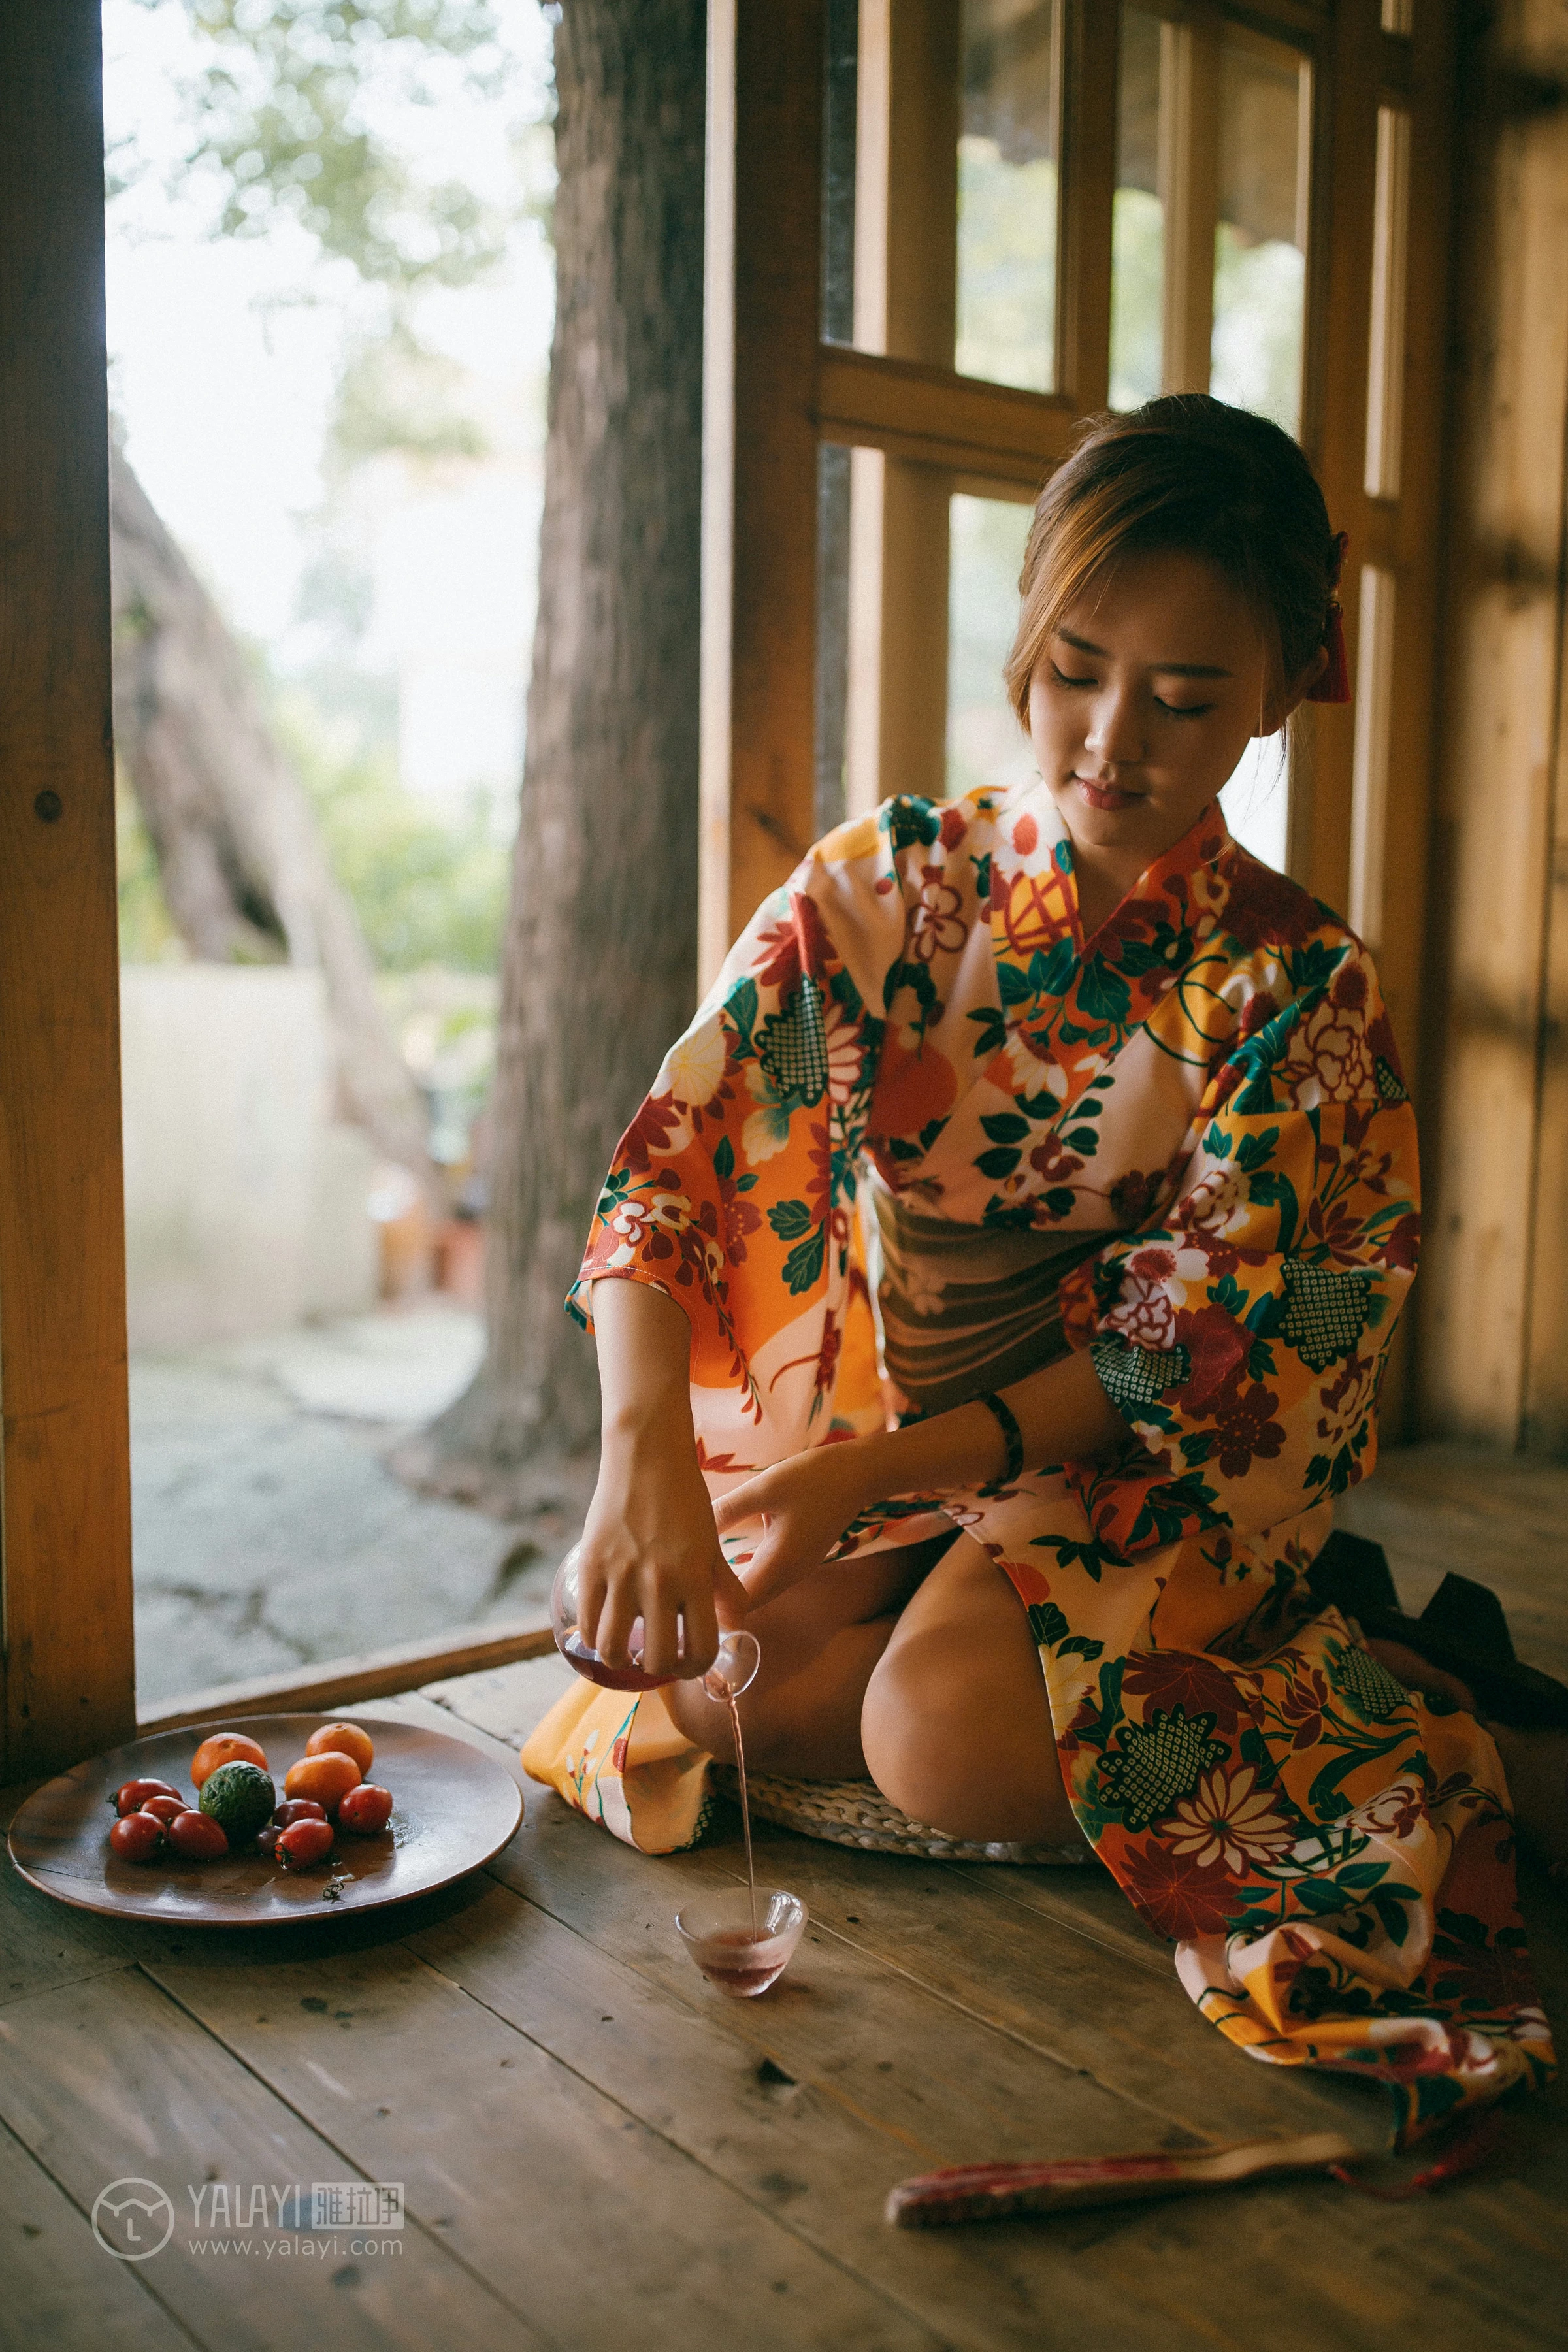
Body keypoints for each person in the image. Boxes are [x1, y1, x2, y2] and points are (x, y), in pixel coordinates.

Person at [524, 395, 1557, 2144]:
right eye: (1075, 669)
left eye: (1186, 699)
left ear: (1283, 687)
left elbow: (1187, 1365)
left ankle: (1395, 1714)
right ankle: (1062, 1644)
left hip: (1137, 1462)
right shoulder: (896, 884)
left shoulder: (1296, 989)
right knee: (717, 1682)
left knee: (932, 1745)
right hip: (906, 1436)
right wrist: (642, 1467)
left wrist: (865, 1486)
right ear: (1028, 632)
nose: (1110, 740)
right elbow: (678, 1161)